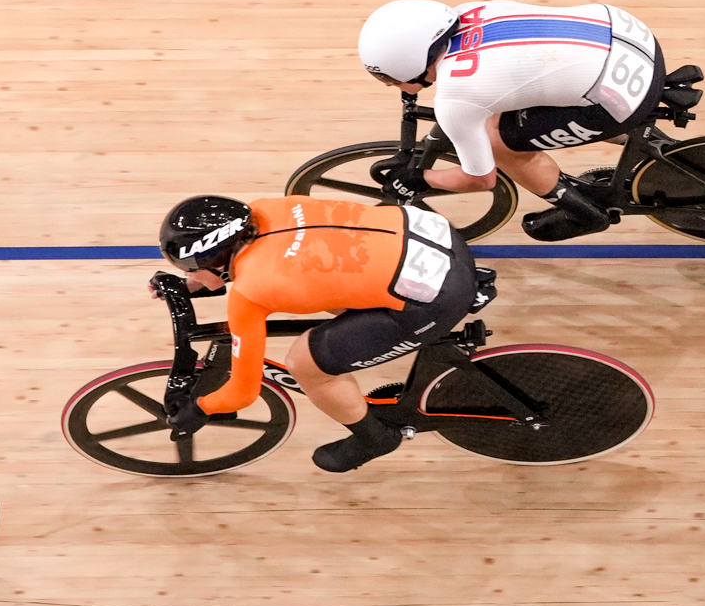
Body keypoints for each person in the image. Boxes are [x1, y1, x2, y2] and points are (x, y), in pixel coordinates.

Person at [158, 193, 482, 472]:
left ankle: (376, 438)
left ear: (214, 261)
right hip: (434, 234)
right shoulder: (264, 208)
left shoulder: (251, 292)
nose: (189, 276)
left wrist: (200, 408)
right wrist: (190, 285)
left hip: (440, 297)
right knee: (326, 280)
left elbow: (243, 393)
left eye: (189, 270)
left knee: (306, 364)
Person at [357, 0, 667, 241]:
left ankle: (585, 214)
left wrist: (420, 179)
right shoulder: (470, 10)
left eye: (389, 78)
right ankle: (637, 139)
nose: (390, 85)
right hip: (629, 34)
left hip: (621, 95)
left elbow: (481, 180)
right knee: (503, 102)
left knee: (499, 144)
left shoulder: (455, 98)